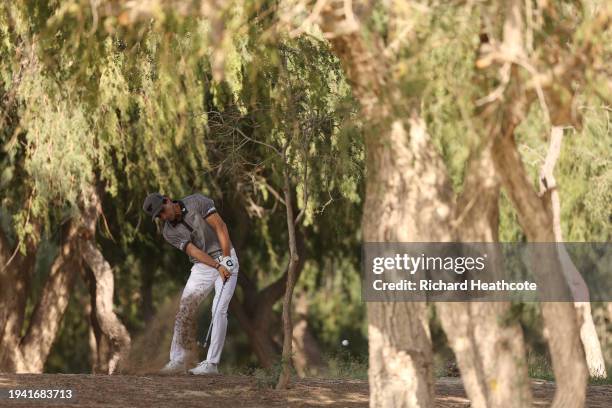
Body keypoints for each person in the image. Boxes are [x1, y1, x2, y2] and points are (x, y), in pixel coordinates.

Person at [142, 192, 239, 375]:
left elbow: (220, 227)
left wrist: (226, 260)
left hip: (227, 256)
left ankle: (211, 364)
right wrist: (217, 266)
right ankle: (178, 361)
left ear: (167, 200)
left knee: (219, 310)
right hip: (203, 266)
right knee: (185, 308)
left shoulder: (197, 202)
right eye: (159, 216)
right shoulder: (168, 232)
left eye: (162, 211)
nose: (163, 216)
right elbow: (194, 252)